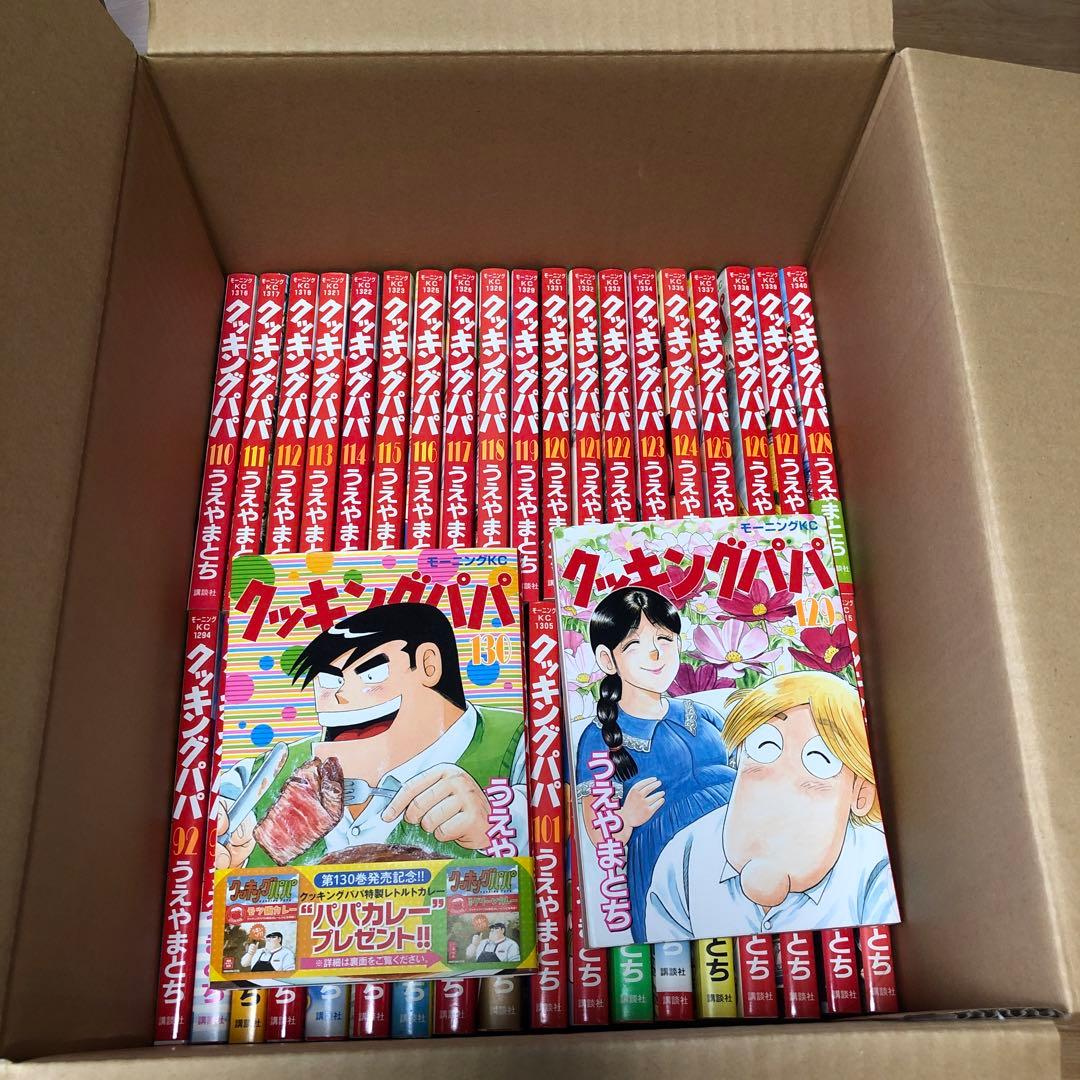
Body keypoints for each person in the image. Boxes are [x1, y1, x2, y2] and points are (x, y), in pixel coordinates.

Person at [216, 603, 527, 866]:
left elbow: (550, 834)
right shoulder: (269, 773)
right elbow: (217, 821)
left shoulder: (519, 743)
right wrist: (229, 854)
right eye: (328, 680)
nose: (339, 695)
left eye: (371, 674)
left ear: (428, 665)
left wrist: (499, 824)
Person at [645, 671, 899, 940]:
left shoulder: (877, 869)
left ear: (860, 794)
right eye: (765, 746)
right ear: (739, 760)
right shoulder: (685, 855)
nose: (783, 778)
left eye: (819, 759)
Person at [574, 587, 736, 942]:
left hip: (736, 852)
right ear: (607, 660)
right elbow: (600, 836)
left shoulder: (699, 713)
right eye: (634, 644)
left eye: (664, 639)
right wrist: (627, 817)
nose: (655, 653)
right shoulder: (598, 737)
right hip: (665, 869)